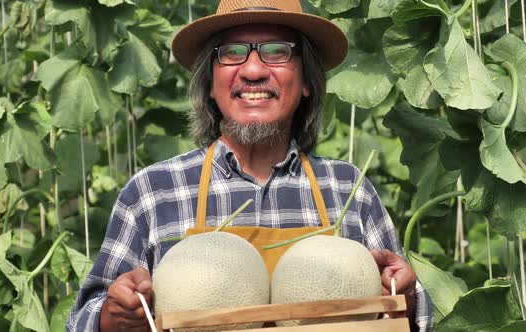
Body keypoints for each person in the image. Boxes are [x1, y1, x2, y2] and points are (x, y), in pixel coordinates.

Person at [67, 0, 434, 331]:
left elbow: (411, 316)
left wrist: (405, 294)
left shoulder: (348, 189)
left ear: (307, 81)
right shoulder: (153, 191)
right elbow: (83, 318)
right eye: (232, 53)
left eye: (277, 52)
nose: (254, 70)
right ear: (210, 83)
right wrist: (113, 317)